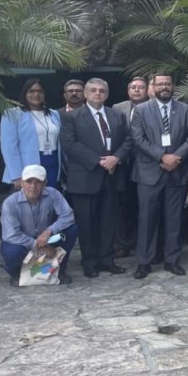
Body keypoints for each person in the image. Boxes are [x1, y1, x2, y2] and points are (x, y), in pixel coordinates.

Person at [129, 73, 188, 279]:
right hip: (149, 172)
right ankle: (144, 262)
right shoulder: (141, 111)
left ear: (173, 86)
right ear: (153, 87)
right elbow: (137, 139)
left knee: (174, 219)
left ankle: (172, 260)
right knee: (147, 219)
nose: (164, 87)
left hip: (178, 172)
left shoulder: (186, 109)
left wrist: (176, 157)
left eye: (168, 83)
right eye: (159, 84)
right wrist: (162, 156)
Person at [60, 78, 132, 278]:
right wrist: (99, 161)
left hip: (112, 176)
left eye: (102, 91)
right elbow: (69, 144)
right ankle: (89, 262)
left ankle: (107, 260)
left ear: (107, 94)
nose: (97, 94)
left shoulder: (116, 116)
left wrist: (116, 158)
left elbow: (128, 140)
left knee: (109, 222)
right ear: (85, 94)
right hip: (85, 178)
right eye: (93, 90)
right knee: (87, 224)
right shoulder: (72, 117)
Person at [0, 165, 78, 286]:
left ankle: (60, 270)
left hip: (48, 239)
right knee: (11, 251)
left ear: (45, 183)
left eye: (38, 182)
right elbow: (11, 235)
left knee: (71, 230)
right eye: (29, 181)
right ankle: (17, 274)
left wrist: (49, 231)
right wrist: (38, 246)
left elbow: (68, 216)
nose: (33, 186)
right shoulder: (10, 203)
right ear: (21, 182)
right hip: (23, 243)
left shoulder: (53, 194)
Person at [1, 78, 62, 190]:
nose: (36, 94)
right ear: (25, 94)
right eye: (31, 91)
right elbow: (9, 148)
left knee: (50, 201)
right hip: (27, 166)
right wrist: (16, 175)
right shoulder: (12, 114)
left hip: (53, 163)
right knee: (31, 203)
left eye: (40, 91)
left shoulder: (54, 114)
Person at [111, 77, 148, 258]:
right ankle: (123, 243)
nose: (137, 90)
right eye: (133, 87)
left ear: (147, 90)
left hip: (147, 162)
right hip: (123, 163)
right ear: (128, 90)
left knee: (145, 204)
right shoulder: (118, 108)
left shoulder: (153, 107)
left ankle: (143, 241)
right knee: (124, 204)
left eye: (141, 87)